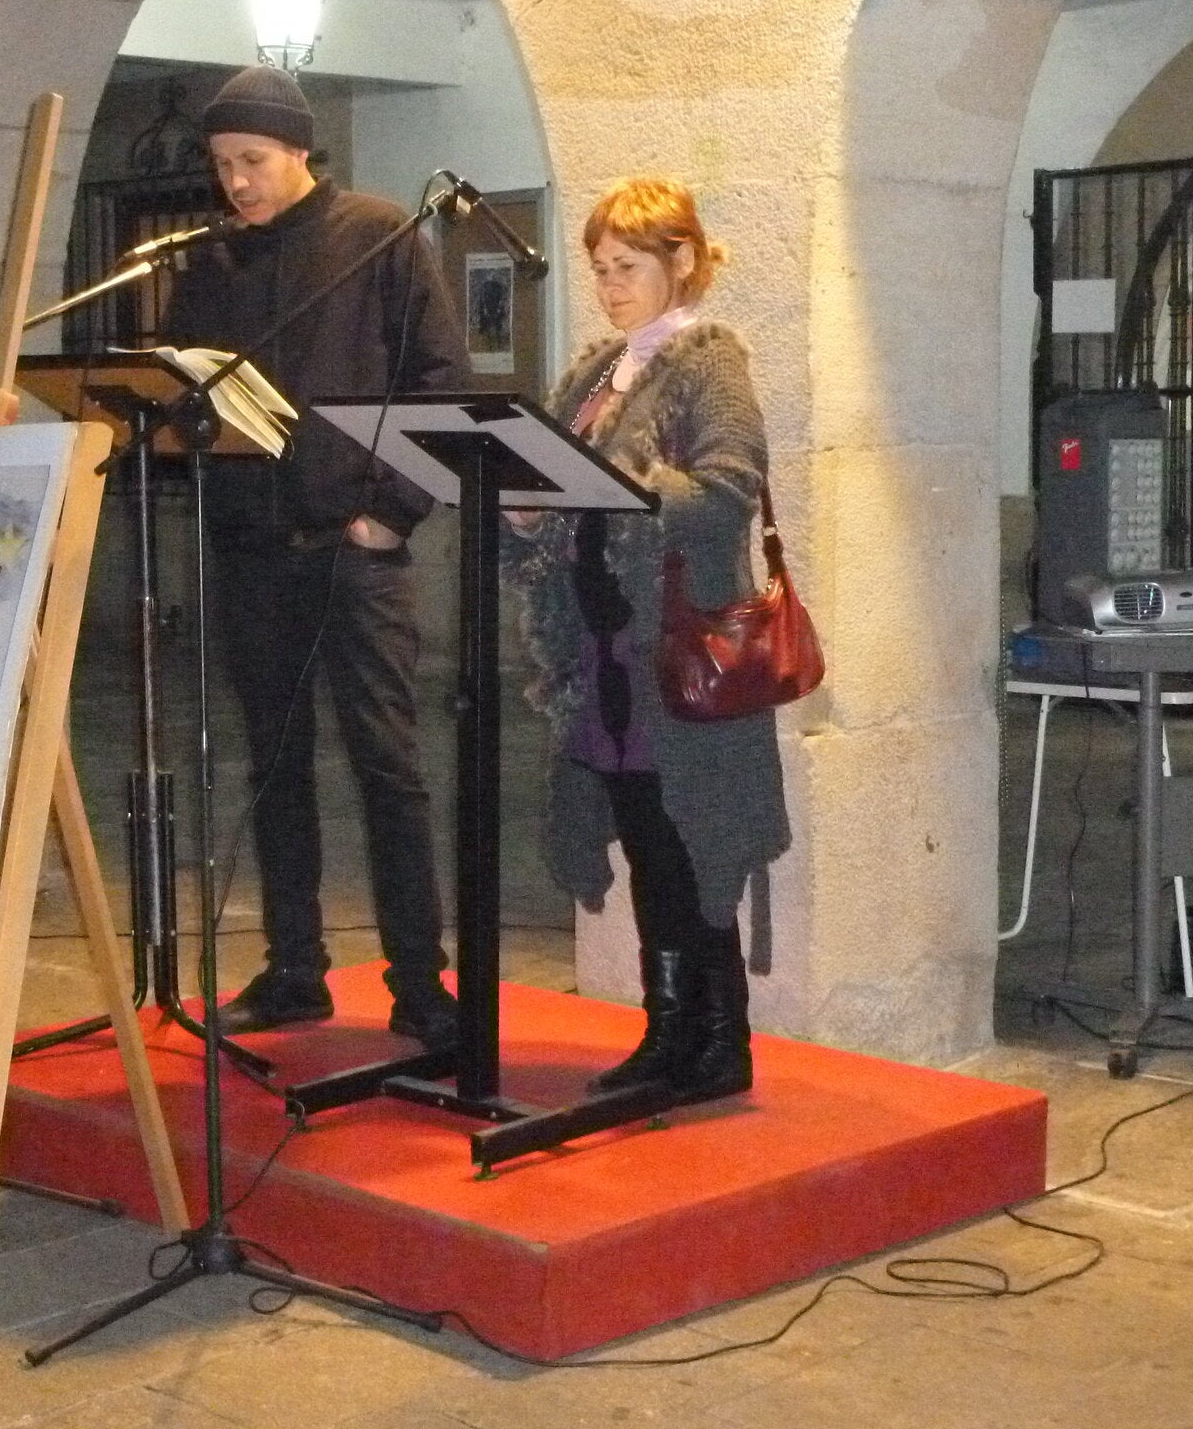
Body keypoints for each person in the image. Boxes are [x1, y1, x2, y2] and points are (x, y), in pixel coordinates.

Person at [163, 65, 468, 1047]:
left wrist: (393, 511)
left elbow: (439, 382)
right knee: (273, 766)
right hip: (254, 550)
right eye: (220, 166)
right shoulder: (207, 268)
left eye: (251, 161)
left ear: (298, 150)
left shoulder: (376, 235)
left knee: (389, 767)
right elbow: (182, 401)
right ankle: (294, 968)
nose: (236, 183)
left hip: (355, 549)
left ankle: (420, 984)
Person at [505, 177, 790, 1099]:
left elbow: (725, 493)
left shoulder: (711, 365)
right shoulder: (593, 370)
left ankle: (719, 1046)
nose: (609, 284)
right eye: (598, 269)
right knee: (642, 848)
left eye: (627, 267)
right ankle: (669, 1035)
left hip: (679, 662)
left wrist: (615, 478)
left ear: (682, 263)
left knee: (688, 848)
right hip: (604, 661)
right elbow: (562, 489)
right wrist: (527, 514)